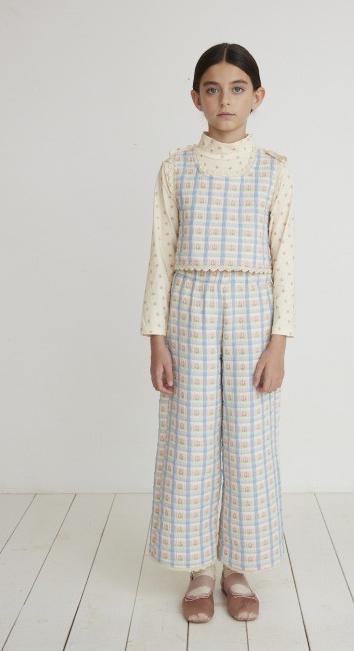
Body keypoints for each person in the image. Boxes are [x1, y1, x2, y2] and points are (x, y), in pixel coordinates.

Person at [140, 42, 295, 623]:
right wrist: (157, 338)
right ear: (195, 98)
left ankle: (239, 567)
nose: (224, 99)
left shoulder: (275, 169)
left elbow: (285, 260)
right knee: (191, 440)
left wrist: (279, 342)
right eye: (212, 88)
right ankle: (199, 568)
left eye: (237, 88)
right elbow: (160, 256)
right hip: (189, 311)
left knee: (249, 443)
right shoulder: (176, 168)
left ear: (257, 97)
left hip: (254, 314)